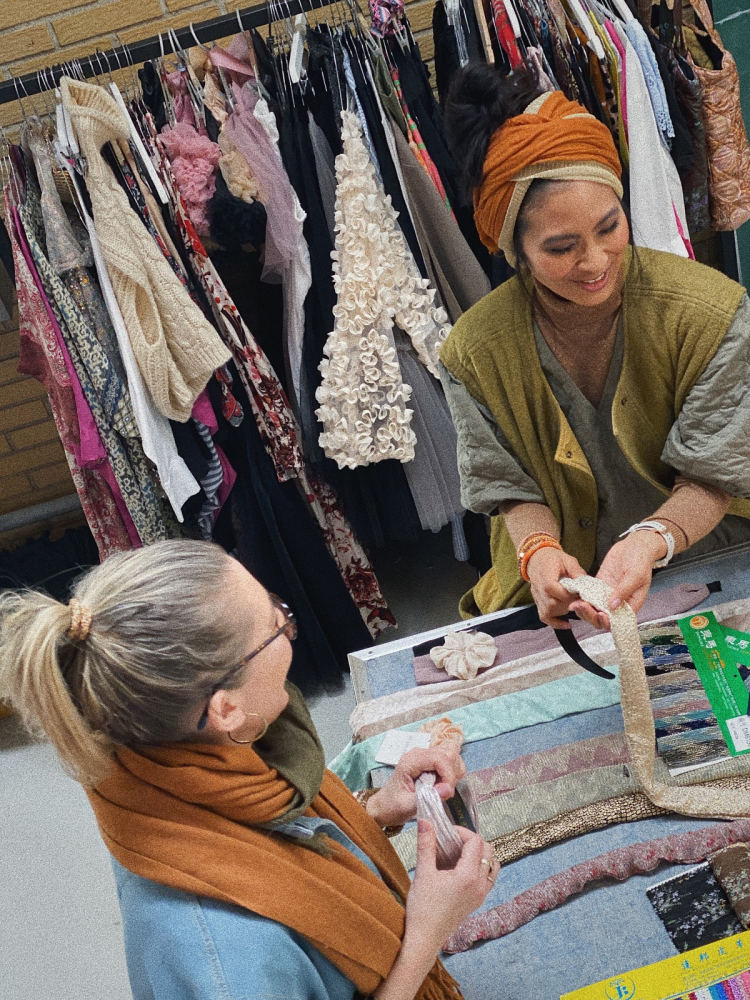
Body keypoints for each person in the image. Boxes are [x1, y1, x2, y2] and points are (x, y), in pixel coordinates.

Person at [0, 540, 497, 1000]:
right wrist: (426, 935)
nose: (289, 626)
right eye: (276, 623)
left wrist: (377, 810)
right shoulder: (229, 966)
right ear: (225, 708)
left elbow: (278, 845)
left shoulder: (153, 763)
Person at [440, 64, 750, 630]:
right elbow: (508, 484)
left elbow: (716, 472)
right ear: (515, 251)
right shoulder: (475, 353)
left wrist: (652, 538)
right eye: (561, 247)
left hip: (702, 553)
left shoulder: (709, 314)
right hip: (560, 586)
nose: (595, 261)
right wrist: (537, 550)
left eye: (610, 227)